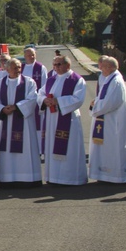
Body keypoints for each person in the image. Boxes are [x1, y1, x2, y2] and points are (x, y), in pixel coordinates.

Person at [89, 57, 126, 183]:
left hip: (115, 122)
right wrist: (96, 103)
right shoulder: (109, 78)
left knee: (114, 148)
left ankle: (116, 177)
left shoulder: (116, 81)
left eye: (102, 66)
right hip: (107, 120)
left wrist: (94, 106)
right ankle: (105, 176)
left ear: (109, 67)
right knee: (106, 147)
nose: (100, 68)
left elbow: (110, 103)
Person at [37, 55, 87, 185]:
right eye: (54, 65)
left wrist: (58, 101)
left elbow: (78, 99)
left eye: (58, 64)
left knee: (69, 149)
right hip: (51, 119)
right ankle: (53, 177)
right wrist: (44, 100)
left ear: (68, 65)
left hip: (68, 119)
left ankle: (70, 178)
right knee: (51, 147)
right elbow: (40, 93)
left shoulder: (77, 80)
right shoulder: (51, 79)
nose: (55, 67)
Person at [0, 58, 42, 186]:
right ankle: (7, 178)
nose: (18, 70)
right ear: (7, 69)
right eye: (15, 68)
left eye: (19, 67)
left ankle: (28, 178)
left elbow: (33, 98)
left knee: (26, 147)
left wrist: (16, 107)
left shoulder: (29, 82)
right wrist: (2, 109)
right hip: (7, 122)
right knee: (7, 148)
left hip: (24, 123)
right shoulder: (0, 83)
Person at [23, 47, 48, 147]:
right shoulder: (21, 67)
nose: (31, 57)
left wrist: (39, 98)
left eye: (33, 54)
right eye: (29, 55)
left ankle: (39, 146)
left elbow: (44, 85)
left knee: (38, 124)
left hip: (37, 101)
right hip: (25, 101)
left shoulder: (40, 67)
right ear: (24, 56)